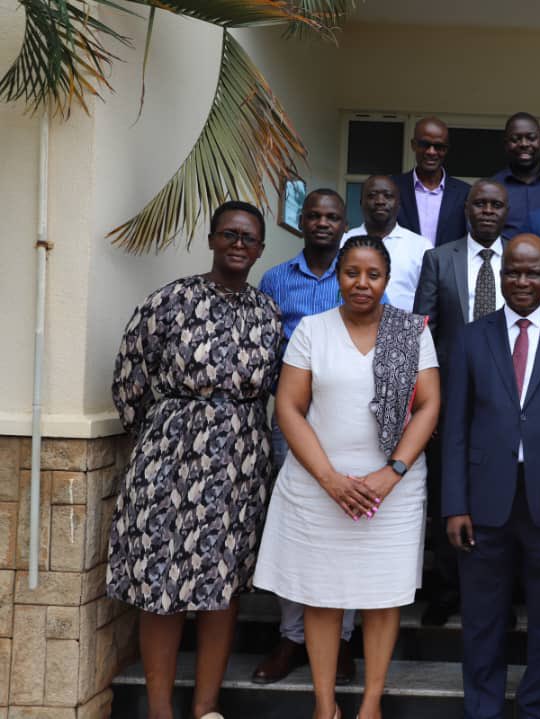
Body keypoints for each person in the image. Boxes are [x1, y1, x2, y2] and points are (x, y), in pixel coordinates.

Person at [109, 201, 284, 719]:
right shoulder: (170, 301)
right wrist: (165, 433)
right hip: (167, 457)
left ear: (259, 250)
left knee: (222, 583)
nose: (238, 244)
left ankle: (206, 708)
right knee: (159, 580)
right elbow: (129, 380)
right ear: (211, 239)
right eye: (229, 234)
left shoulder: (266, 311)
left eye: (248, 238)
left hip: (238, 464)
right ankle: (161, 710)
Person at [254, 236, 441, 719]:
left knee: (383, 597)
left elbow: (428, 405)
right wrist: (330, 479)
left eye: (373, 274)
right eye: (352, 272)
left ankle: (371, 705)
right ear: (338, 275)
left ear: (386, 279)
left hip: (392, 492)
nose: (362, 283)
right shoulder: (312, 330)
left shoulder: (410, 331)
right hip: (319, 487)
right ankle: (324, 705)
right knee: (322, 594)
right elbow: (289, 408)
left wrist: (392, 472)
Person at [441, 234, 540, 719]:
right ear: (501, 273)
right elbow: (455, 428)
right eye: (513, 271)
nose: (522, 281)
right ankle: (484, 708)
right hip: (484, 503)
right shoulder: (473, 337)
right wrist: (454, 504)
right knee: (482, 620)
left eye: (533, 272)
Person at [252, 188, 357, 685]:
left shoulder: (357, 275)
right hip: (291, 421)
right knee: (296, 530)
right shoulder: (275, 278)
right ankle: (293, 636)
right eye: (313, 215)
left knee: (349, 528)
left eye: (331, 216)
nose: (321, 223)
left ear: (344, 223)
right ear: (301, 221)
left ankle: (342, 639)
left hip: (351, 424)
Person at [412, 179, 511, 626]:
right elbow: (423, 333)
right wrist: (426, 401)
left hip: (510, 398)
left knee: (505, 495)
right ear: (466, 209)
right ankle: (449, 588)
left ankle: (502, 595)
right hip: (452, 397)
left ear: (505, 212)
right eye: (480, 204)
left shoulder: (524, 258)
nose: (488, 211)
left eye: (496, 205)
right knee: (447, 491)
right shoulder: (440, 258)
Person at [342, 175, 430, 310]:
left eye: (388, 196)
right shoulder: (344, 241)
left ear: (399, 203)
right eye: (372, 196)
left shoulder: (421, 246)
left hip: (405, 328)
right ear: (361, 202)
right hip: (350, 326)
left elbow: (428, 299)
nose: (380, 201)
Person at [392, 116, 471, 247]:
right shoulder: (393, 188)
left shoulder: (465, 193)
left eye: (439, 146)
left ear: (446, 149)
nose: (431, 152)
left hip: (447, 267)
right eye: (425, 144)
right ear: (413, 145)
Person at [492, 112, 540, 236]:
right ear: (506, 144)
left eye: (531, 138)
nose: (524, 144)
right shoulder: (492, 188)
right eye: (515, 139)